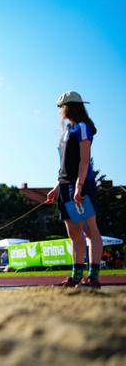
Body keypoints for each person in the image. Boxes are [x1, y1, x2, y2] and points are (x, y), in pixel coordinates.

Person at [45, 91, 103, 288]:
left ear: (69, 107)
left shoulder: (83, 127)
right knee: (74, 234)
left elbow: (84, 160)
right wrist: (56, 188)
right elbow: (64, 165)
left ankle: (93, 277)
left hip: (80, 185)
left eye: (61, 107)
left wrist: (78, 187)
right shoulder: (66, 131)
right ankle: (76, 276)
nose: (60, 111)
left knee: (89, 230)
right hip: (64, 186)